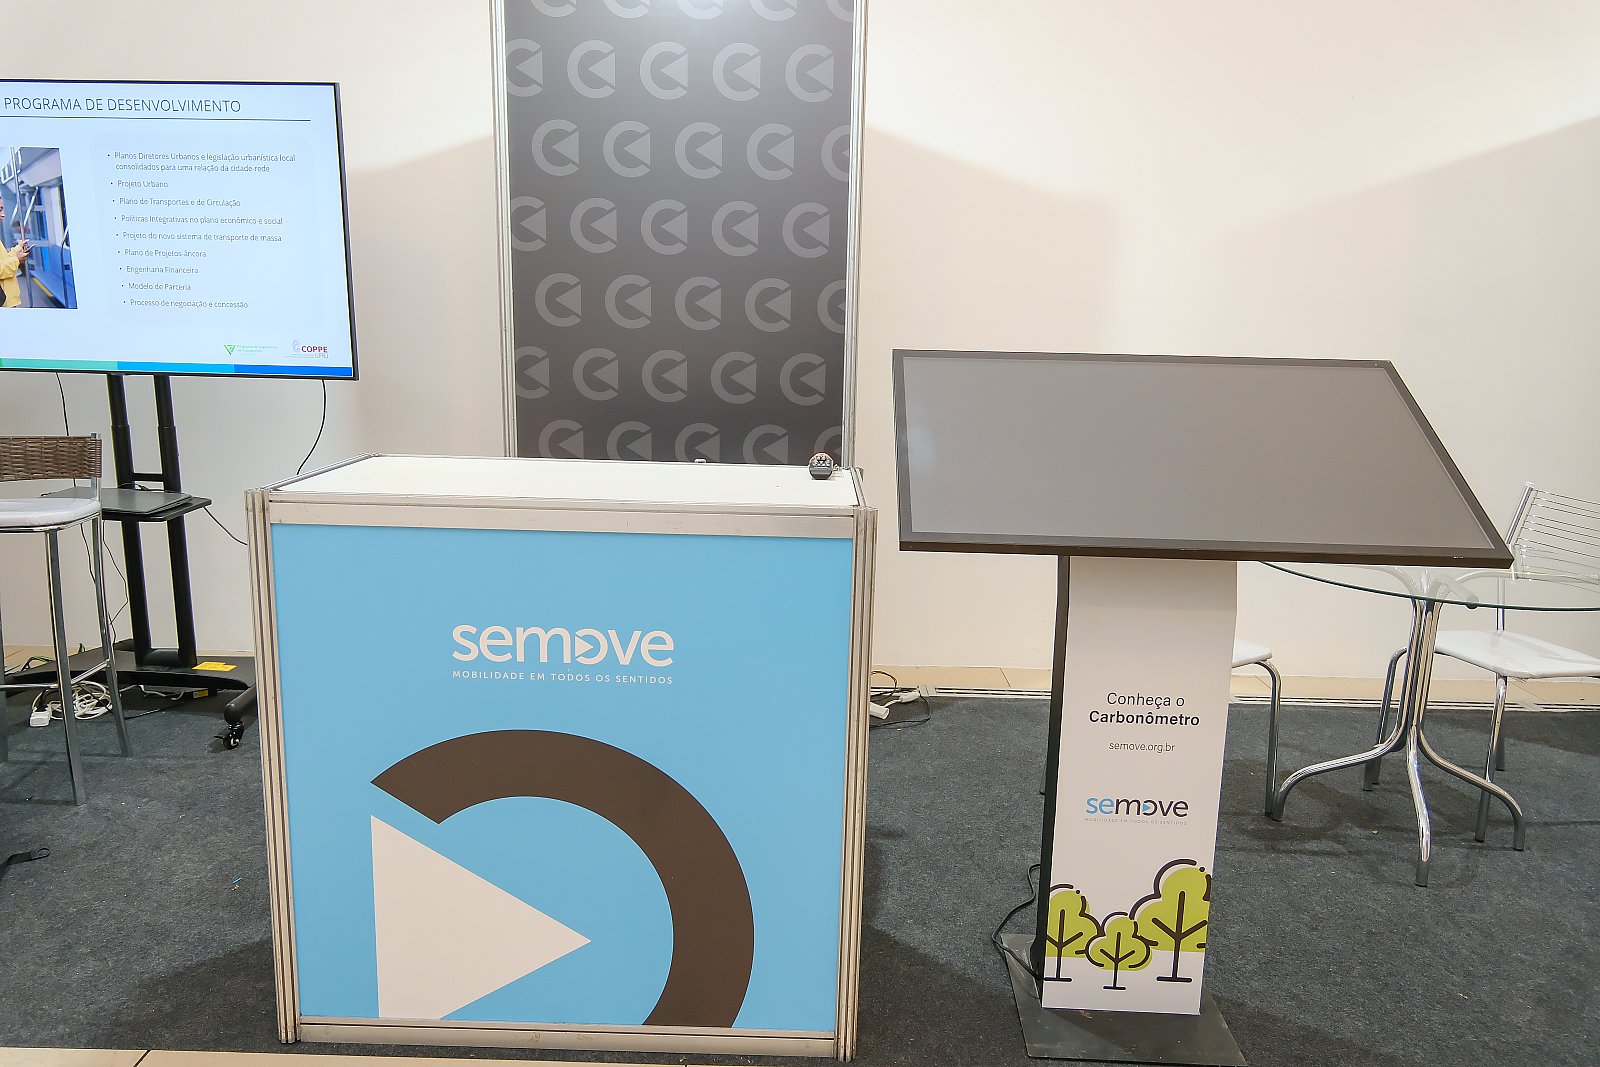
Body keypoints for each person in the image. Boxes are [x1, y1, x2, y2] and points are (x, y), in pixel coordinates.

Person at [0, 197, 31, 308]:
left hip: (8, 299)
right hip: (4, 303)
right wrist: (17, 260)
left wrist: (18, 248)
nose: (3, 214)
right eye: (0, 209)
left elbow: (3, 260)